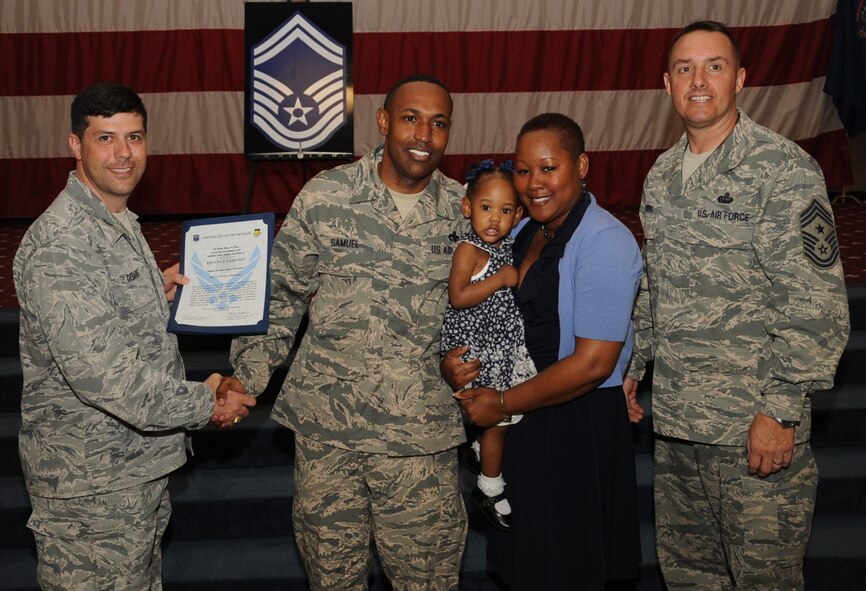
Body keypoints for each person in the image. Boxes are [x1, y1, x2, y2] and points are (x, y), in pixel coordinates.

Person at [624, 21, 851, 590]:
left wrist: (780, 409)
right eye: (685, 69)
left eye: (714, 66)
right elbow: (655, 285)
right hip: (679, 428)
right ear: (667, 84)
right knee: (691, 579)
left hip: (752, 429)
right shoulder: (662, 175)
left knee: (764, 581)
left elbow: (815, 302)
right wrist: (634, 366)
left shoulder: (783, 170)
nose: (698, 81)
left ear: (740, 79)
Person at [13, 82, 257, 590]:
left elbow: (107, 320)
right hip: (90, 492)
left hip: (131, 473)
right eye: (105, 139)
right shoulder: (61, 243)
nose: (124, 154)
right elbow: (108, 380)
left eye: (135, 137)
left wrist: (152, 289)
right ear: (75, 146)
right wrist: (206, 401)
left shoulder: (113, 220)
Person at [228, 74, 468, 589]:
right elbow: (282, 293)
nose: (424, 134)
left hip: (419, 440)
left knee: (427, 581)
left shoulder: (469, 212)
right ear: (383, 122)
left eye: (439, 123)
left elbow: (497, 308)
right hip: (327, 438)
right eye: (411, 118)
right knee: (333, 580)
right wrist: (247, 378)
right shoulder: (326, 196)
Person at [446, 113, 643, 590]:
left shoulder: (605, 240)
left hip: (576, 420)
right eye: (523, 170)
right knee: (527, 559)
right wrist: (454, 362)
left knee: (567, 564)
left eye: (548, 168)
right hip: (527, 412)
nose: (533, 184)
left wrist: (503, 404)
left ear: (581, 166)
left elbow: (594, 364)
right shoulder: (523, 231)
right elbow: (482, 309)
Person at [440, 159, 536, 531]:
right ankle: (489, 486)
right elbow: (459, 295)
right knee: (499, 419)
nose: (495, 218)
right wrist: (500, 279)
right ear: (467, 208)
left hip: (504, 346)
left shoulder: (511, 244)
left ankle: (482, 452)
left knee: (512, 415)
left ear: (518, 214)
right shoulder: (470, 248)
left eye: (506, 210)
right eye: (485, 208)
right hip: (479, 349)